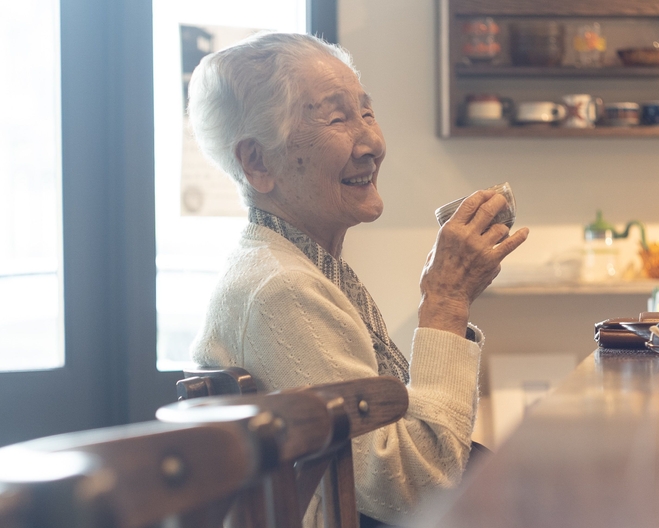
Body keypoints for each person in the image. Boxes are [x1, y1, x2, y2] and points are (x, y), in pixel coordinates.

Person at [186, 32, 528, 527]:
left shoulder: (298, 266)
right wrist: (446, 301)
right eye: (336, 117)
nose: (372, 143)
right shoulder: (279, 289)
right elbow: (418, 488)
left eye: (366, 113)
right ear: (256, 162)